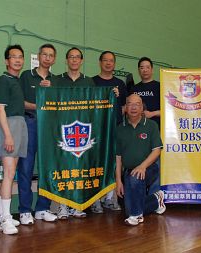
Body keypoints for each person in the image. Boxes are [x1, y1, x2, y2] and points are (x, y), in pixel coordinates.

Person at [16, 44, 58, 224]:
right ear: (39, 56)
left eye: (51, 55)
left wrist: (49, 92)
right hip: (29, 123)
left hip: (49, 126)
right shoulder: (26, 76)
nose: (47, 58)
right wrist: (38, 105)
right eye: (45, 55)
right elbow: (18, 101)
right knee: (25, 167)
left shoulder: (56, 80)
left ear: (54, 59)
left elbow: (61, 105)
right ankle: (25, 210)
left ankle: (42, 208)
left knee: (48, 168)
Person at [0, 44, 29, 233]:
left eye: (20, 56)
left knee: (11, 173)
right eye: (13, 57)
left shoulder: (17, 80)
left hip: (19, 124)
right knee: (9, 172)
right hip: (8, 126)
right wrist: (7, 135)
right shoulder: (3, 80)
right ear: (6, 61)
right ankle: (6, 218)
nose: (17, 60)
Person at [54, 47, 93, 219]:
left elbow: (96, 105)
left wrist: (112, 95)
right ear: (66, 60)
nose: (74, 60)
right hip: (63, 130)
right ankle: (63, 206)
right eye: (71, 57)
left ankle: (77, 205)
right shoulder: (57, 80)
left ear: (82, 60)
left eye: (78, 57)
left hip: (82, 130)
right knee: (63, 167)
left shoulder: (89, 82)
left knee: (79, 167)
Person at [115, 94, 166, 226]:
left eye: (137, 104)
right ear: (125, 107)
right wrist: (118, 181)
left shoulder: (151, 125)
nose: (133, 107)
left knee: (135, 176)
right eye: (130, 104)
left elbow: (157, 150)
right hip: (129, 171)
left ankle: (137, 216)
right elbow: (118, 157)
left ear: (142, 107)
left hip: (150, 168)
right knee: (128, 209)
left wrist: (143, 166)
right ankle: (156, 199)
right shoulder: (120, 128)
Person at [91, 51, 127, 213]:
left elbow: (125, 107)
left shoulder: (120, 83)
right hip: (97, 128)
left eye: (111, 61)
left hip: (115, 127)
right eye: (105, 60)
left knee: (114, 162)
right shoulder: (92, 82)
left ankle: (110, 198)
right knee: (98, 162)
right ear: (100, 62)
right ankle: (95, 199)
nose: (108, 63)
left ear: (114, 64)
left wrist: (117, 99)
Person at [131, 57, 161, 128]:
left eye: (147, 67)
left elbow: (168, 110)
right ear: (138, 70)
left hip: (156, 129)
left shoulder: (159, 86)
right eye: (142, 68)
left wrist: (152, 114)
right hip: (137, 128)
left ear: (152, 70)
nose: (145, 70)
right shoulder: (134, 89)